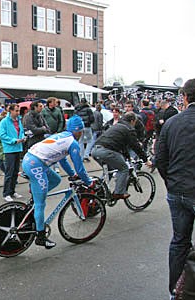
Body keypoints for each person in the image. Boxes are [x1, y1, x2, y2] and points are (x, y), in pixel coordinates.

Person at [22, 115, 95, 248]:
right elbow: (80, 168)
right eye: (81, 131)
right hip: (35, 164)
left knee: (55, 179)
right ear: (78, 131)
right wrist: (89, 182)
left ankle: (35, 193)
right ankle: (41, 236)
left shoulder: (63, 136)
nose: (81, 134)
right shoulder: (73, 143)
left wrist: (72, 175)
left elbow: (63, 160)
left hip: (33, 160)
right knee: (40, 204)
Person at [156, 78, 195, 299]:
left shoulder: (172, 122)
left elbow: (161, 158)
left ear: (186, 97)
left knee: (179, 241)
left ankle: (176, 291)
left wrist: (171, 182)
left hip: (177, 190)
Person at [92, 112, 152, 200]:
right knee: (124, 169)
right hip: (106, 151)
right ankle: (118, 193)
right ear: (132, 121)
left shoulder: (117, 126)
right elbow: (135, 146)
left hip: (95, 150)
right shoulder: (128, 129)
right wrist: (146, 160)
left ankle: (100, 190)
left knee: (110, 170)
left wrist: (127, 157)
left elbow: (122, 145)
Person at [0, 104, 25, 202]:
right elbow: (2, 135)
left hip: (18, 148)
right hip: (10, 149)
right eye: (16, 111)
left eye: (18, 111)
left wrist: (22, 137)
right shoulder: (4, 122)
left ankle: (12, 191)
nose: (18, 113)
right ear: (11, 111)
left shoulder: (18, 120)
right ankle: (6, 193)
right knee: (9, 172)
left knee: (15, 172)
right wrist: (14, 140)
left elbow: (21, 130)